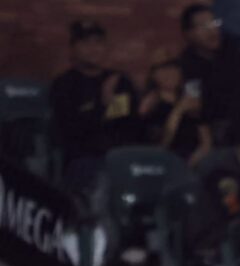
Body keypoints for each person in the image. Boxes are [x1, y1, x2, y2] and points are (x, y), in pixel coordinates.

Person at [50, 21, 139, 188]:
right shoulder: (64, 84)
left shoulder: (120, 81)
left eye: (98, 42)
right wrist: (103, 103)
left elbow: (131, 126)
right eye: (85, 43)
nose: (93, 48)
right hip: (85, 159)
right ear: (73, 48)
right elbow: (71, 133)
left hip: (123, 157)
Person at [139, 50, 212, 166]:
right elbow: (161, 144)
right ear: (154, 75)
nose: (170, 74)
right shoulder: (150, 104)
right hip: (165, 163)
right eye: (163, 70)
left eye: (174, 69)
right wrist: (178, 111)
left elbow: (206, 141)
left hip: (195, 161)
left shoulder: (191, 100)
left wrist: (194, 161)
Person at [178, 3, 240, 128]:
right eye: (203, 26)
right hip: (209, 127)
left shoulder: (234, 52)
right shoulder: (187, 64)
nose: (212, 30)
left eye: (214, 23)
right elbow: (194, 106)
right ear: (189, 34)